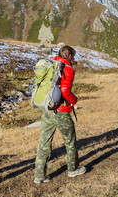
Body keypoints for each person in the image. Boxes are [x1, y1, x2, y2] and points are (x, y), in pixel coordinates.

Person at [34, 45, 86, 184]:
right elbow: (65, 90)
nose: (74, 59)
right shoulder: (68, 69)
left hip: (48, 109)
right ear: (69, 55)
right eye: (73, 56)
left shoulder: (52, 65)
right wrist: (74, 100)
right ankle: (73, 169)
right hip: (61, 112)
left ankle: (39, 175)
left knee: (44, 142)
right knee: (70, 141)